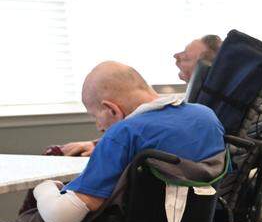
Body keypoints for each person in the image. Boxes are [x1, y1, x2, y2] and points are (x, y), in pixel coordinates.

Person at [0, 62, 226, 222]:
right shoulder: (205, 117)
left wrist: (45, 188)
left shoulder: (124, 133)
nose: (98, 126)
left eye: (94, 116)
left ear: (111, 109)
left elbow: (61, 217)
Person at [59, 34, 223, 158]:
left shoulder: (205, 112)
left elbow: (165, 139)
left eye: (185, 56)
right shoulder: (196, 108)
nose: (176, 57)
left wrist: (108, 145)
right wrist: (98, 144)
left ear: (207, 68)